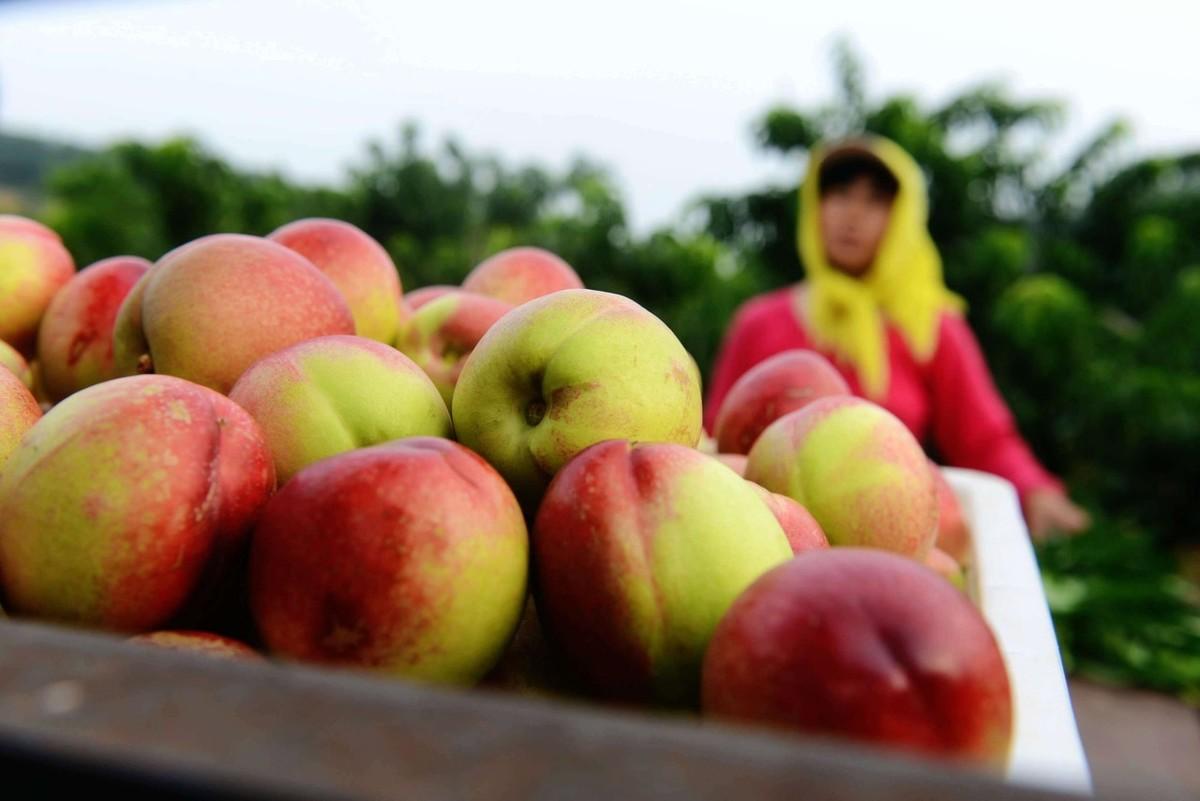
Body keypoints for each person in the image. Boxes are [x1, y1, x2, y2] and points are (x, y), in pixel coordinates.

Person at [705, 135, 1090, 540]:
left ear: (902, 216)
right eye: (838, 194)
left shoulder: (930, 325)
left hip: (889, 536)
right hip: (764, 533)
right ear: (815, 206)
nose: (852, 215)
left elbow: (984, 436)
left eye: (875, 200)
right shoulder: (759, 322)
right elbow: (717, 441)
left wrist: (1035, 490)